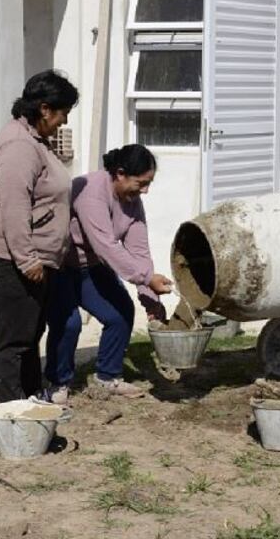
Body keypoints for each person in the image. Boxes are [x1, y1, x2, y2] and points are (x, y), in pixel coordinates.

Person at [0, 69, 79, 403]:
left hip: (24, 257)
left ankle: (31, 400)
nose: (63, 121)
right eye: (63, 113)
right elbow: (15, 208)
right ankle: (11, 412)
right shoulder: (19, 144)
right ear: (45, 109)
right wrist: (28, 258)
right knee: (13, 339)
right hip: (6, 257)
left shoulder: (34, 140)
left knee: (29, 334)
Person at [45, 144, 174, 403]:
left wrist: (149, 296)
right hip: (59, 265)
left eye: (149, 183)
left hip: (90, 266)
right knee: (68, 324)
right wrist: (146, 279)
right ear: (120, 173)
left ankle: (107, 378)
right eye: (141, 183)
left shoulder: (132, 201)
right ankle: (57, 383)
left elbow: (138, 249)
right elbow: (105, 245)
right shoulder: (91, 191)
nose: (145, 190)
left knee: (120, 313)